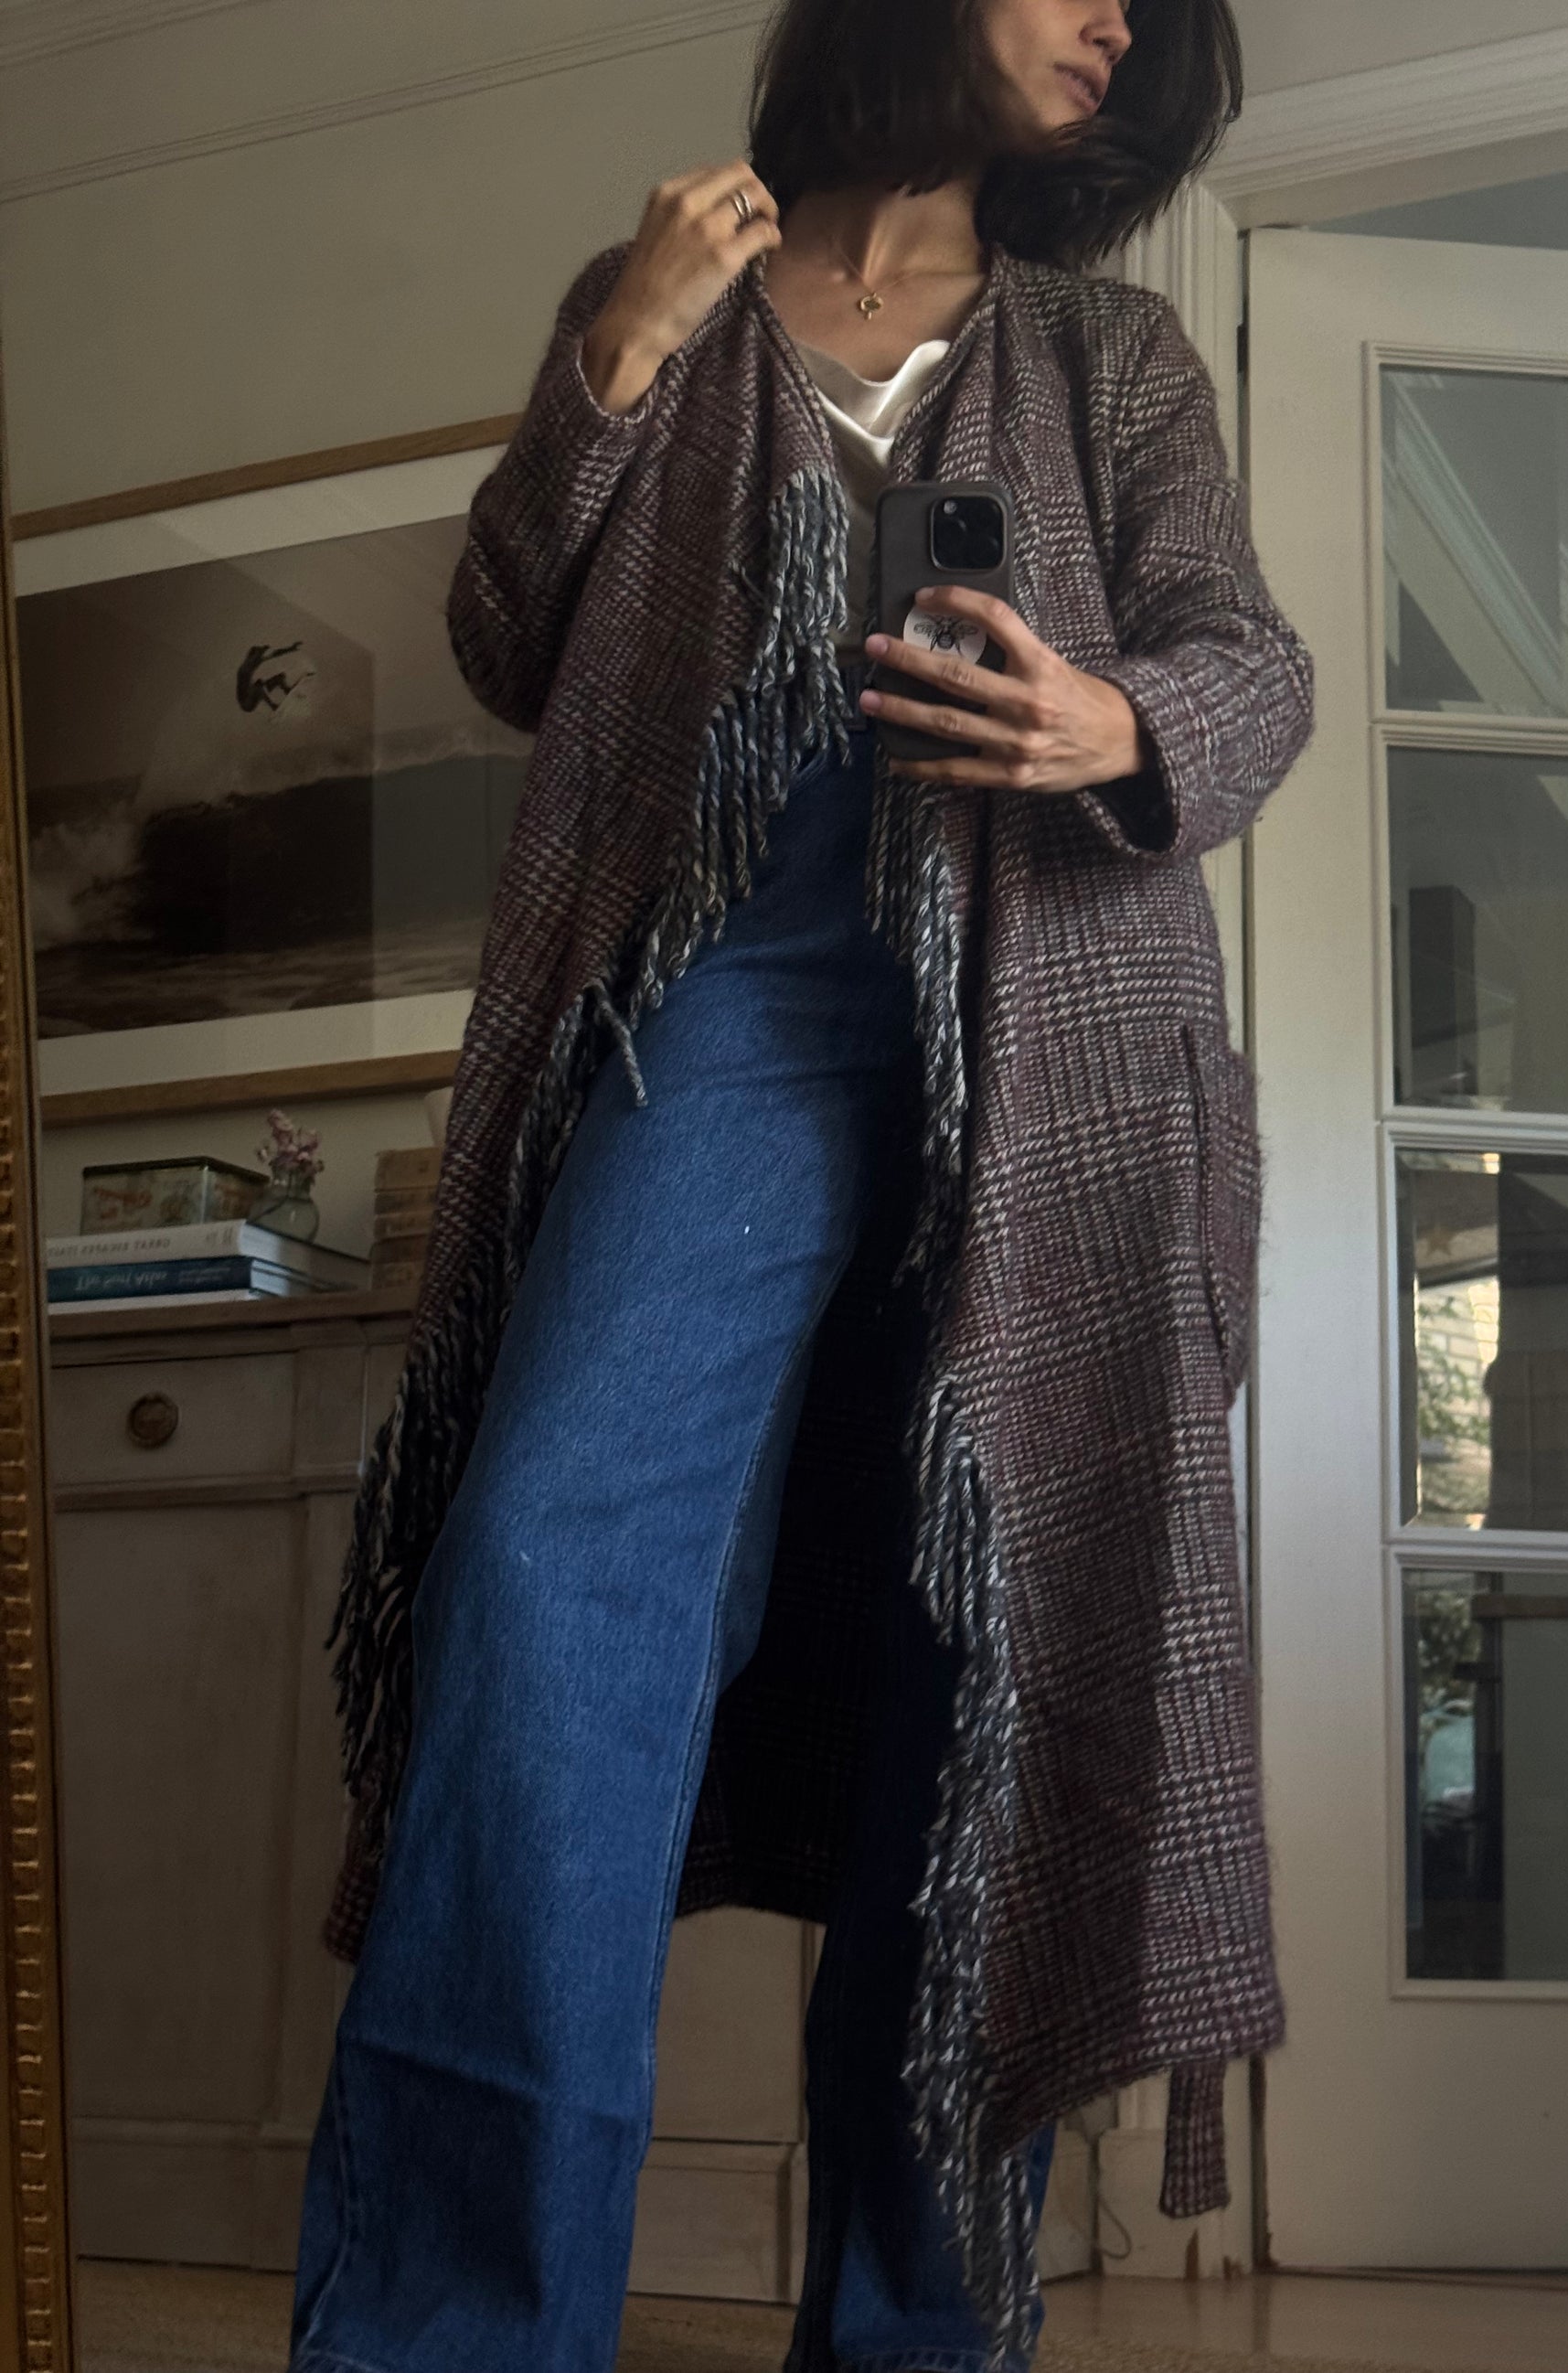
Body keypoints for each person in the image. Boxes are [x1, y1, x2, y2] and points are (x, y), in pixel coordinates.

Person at [289, 3, 1314, 2370]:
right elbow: (507, 636)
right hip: (721, 996)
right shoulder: (667, 293)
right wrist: (620, 354)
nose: (1113, 23)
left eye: (1143, 14)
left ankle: (912, 2331)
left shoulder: (1111, 352)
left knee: (980, 1660)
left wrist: (1118, 718)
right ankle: (448, 2326)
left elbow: (1245, 659)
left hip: (1054, 1023)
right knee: (544, 1569)